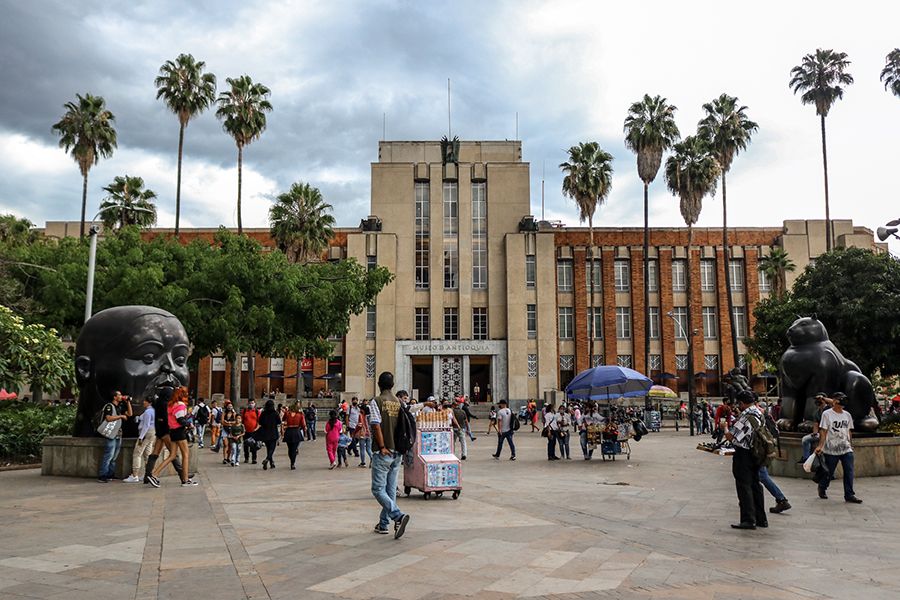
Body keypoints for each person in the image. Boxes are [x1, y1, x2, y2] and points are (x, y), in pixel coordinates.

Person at [368, 371, 411, 539]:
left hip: (384, 451)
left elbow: (376, 426)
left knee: (378, 489)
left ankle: (397, 516)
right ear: (393, 385)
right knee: (390, 489)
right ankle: (384, 524)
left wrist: (382, 446)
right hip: (397, 452)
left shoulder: (377, 401)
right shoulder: (399, 402)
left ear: (379, 384)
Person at [724, 390, 766, 529]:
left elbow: (732, 436)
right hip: (757, 453)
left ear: (742, 403)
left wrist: (724, 428)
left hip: (744, 454)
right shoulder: (759, 413)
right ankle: (761, 519)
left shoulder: (746, 417)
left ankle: (748, 519)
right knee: (755, 485)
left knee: (744, 485)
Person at [815, 392, 862, 503]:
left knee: (849, 471)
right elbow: (823, 431)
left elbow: (849, 431)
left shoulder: (847, 415)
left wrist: (850, 444)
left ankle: (849, 494)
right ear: (835, 401)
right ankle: (822, 487)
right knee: (829, 472)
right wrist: (820, 446)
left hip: (846, 448)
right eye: (841, 400)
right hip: (831, 448)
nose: (843, 402)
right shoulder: (827, 414)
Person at [150, 386, 197, 487]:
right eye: (186, 394)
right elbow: (180, 420)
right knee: (185, 455)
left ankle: (154, 474)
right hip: (179, 432)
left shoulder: (171, 405)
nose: (187, 395)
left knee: (172, 455)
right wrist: (189, 424)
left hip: (172, 432)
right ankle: (185, 479)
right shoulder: (180, 405)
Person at [97, 391, 132, 482]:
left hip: (118, 434)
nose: (121, 396)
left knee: (114, 457)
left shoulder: (120, 407)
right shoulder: (109, 406)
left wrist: (128, 402)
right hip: (111, 434)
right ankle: (102, 475)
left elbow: (130, 414)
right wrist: (120, 416)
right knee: (109, 455)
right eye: (119, 395)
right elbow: (108, 418)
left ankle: (110, 474)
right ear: (114, 397)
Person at [124, 397, 154, 483]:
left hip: (145, 433)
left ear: (149, 402)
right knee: (147, 454)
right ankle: (148, 474)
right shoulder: (153, 411)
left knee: (137, 453)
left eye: (145, 401)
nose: (143, 402)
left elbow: (146, 425)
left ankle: (135, 475)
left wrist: (141, 437)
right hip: (152, 433)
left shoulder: (148, 412)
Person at [799, 394, 831, 463]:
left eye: (820, 401)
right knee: (805, 439)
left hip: (831, 433)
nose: (818, 402)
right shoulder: (817, 412)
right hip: (821, 433)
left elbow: (834, 402)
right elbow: (815, 425)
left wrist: (823, 398)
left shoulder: (830, 409)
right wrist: (815, 433)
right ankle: (806, 458)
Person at [257, 399, 282, 470]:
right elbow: (279, 422)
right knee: (272, 448)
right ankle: (267, 459)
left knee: (268, 449)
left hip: (265, 433)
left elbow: (260, 422)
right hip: (273, 433)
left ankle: (271, 463)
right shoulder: (275, 413)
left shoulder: (263, 413)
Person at [282, 401, 306, 470]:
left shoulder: (287, 414)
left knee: (290, 448)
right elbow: (303, 424)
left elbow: (283, 419)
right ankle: (293, 463)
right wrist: (304, 431)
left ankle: (291, 460)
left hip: (289, 431)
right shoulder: (300, 415)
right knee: (294, 448)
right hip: (296, 431)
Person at [242, 400, 261, 465]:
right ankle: (246, 458)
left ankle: (254, 459)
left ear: (255, 404)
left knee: (254, 445)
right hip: (246, 431)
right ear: (247, 404)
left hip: (254, 431)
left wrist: (256, 428)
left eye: (252, 403)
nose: (251, 404)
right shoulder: (244, 411)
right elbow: (242, 421)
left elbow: (259, 422)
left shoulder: (257, 411)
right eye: (250, 403)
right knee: (245, 445)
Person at [355, 403, 372, 468]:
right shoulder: (370, 416)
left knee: (362, 449)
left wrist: (355, 432)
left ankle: (363, 463)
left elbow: (359, 425)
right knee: (368, 448)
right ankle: (372, 458)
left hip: (362, 434)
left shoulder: (360, 416)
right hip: (369, 434)